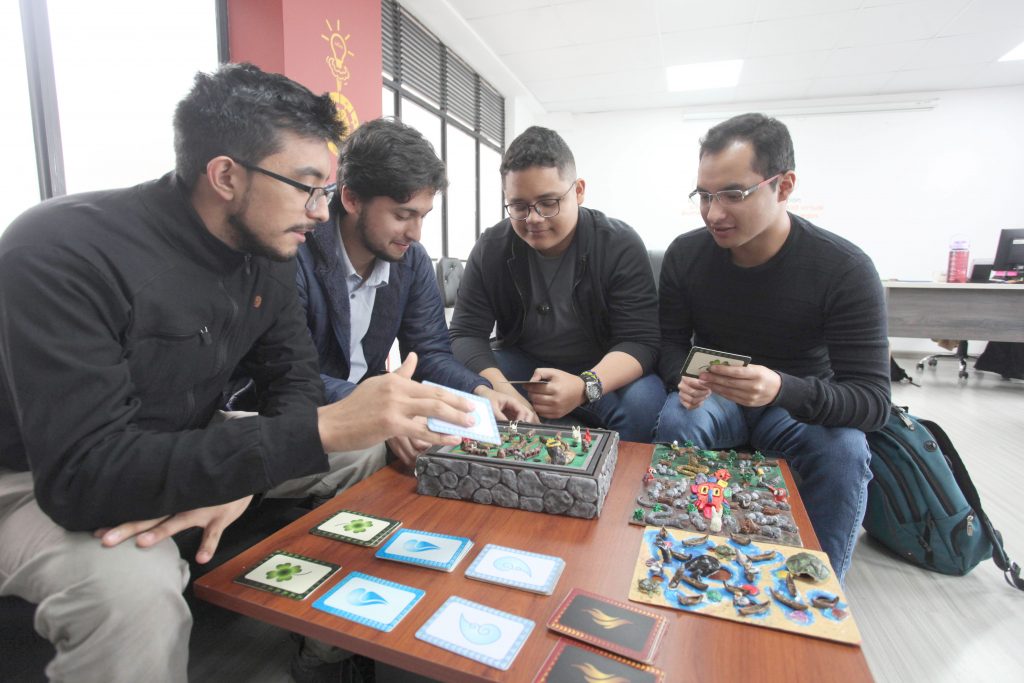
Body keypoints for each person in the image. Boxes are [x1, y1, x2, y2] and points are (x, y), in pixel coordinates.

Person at [0, 63, 474, 683]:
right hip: (38, 471)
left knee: (366, 450)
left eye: (326, 190)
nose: (319, 212)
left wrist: (245, 472)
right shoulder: (61, 249)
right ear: (225, 175)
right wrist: (269, 451)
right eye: (306, 188)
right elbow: (83, 475)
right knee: (133, 593)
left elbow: (294, 382)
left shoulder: (266, 251)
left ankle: (331, 637)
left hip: (183, 435)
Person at [654, 113, 890, 580]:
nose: (713, 213)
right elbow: (668, 345)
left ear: (784, 187)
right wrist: (683, 377)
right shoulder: (686, 255)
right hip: (717, 398)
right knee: (679, 418)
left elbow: (872, 401)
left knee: (844, 451)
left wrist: (781, 388)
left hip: (797, 403)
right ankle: (679, 564)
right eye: (704, 195)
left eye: (733, 194)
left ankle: (817, 586)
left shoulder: (844, 269)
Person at [297, 118, 535, 467]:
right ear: (351, 198)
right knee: (384, 452)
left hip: (364, 404)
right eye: (402, 215)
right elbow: (289, 377)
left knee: (450, 437)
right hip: (300, 413)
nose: (415, 234)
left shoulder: (411, 261)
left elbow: (430, 353)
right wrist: (377, 410)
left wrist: (480, 392)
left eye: (422, 216)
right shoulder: (297, 250)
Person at [449, 126, 664, 443]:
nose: (533, 218)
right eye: (519, 206)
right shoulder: (492, 246)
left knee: (643, 404)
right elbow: (466, 334)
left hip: (601, 367)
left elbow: (641, 341)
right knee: (455, 379)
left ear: (579, 191)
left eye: (548, 202)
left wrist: (585, 385)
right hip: (524, 366)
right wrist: (501, 388)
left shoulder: (618, 243)